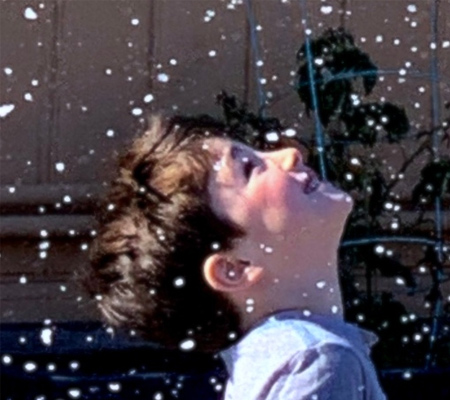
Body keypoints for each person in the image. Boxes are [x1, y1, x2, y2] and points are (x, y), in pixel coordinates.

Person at [84, 115, 386, 399]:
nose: (290, 155)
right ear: (233, 268)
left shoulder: (276, 361)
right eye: (250, 169)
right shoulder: (319, 360)